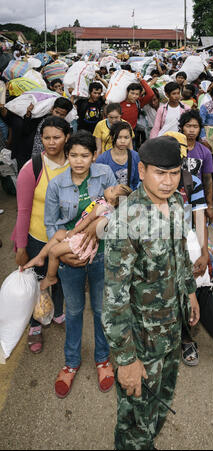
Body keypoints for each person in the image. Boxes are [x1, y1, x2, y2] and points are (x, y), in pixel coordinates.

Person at [102, 136, 200, 450]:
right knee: (134, 419)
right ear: (142, 171)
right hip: (141, 342)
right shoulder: (126, 222)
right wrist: (127, 361)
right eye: (161, 173)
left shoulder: (173, 202)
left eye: (174, 174)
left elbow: (180, 252)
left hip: (170, 332)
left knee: (160, 402)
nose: (169, 181)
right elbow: (113, 301)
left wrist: (190, 292)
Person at [44, 130, 117, 398]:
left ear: (93, 156)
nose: (78, 160)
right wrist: (61, 253)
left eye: (84, 155)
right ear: (67, 155)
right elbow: (51, 223)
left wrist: (100, 223)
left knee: (100, 309)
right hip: (69, 257)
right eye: (73, 155)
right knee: (73, 311)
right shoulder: (57, 184)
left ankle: (102, 359)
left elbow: (116, 210)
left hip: (101, 255)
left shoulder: (105, 176)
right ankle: (71, 362)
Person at [11, 116, 70, 354]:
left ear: (67, 137)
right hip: (38, 239)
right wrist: (22, 246)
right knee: (38, 283)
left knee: (62, 280)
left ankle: (56, 312)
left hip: (67, 239)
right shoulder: (32, 167)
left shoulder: (75, 163)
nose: (51, 142)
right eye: (46, 137)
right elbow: (23, 210)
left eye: (57, 137)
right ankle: (35, 325)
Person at [23, 184, 132, 290]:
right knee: (59, 233)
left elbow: (88, 220)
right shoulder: (107, 207)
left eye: (112, 190)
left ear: (113, 201)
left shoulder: (102, 207)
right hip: (82, 236)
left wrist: (74, 231)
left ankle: (50, 278)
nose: (110, 187)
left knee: (53, 252)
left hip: (83, 240)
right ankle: (40, 257)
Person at [178, 110, 213, 223]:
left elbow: (208, 180)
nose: (192, 130)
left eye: (195, 126)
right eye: (188, 126)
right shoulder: (173, 148)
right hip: (176, 198)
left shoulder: (205, 152)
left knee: (194, 231)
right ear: (182, 127)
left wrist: (209, 205)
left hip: (196, 198)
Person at [96, 121, 140, 191]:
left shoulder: (135, 157)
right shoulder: (102, 159)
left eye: (126, 137)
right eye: (119, 137)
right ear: (112, 137)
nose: (123, 141)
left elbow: (136, 181)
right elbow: (99, 185)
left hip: (130, 197)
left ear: (131, 138)